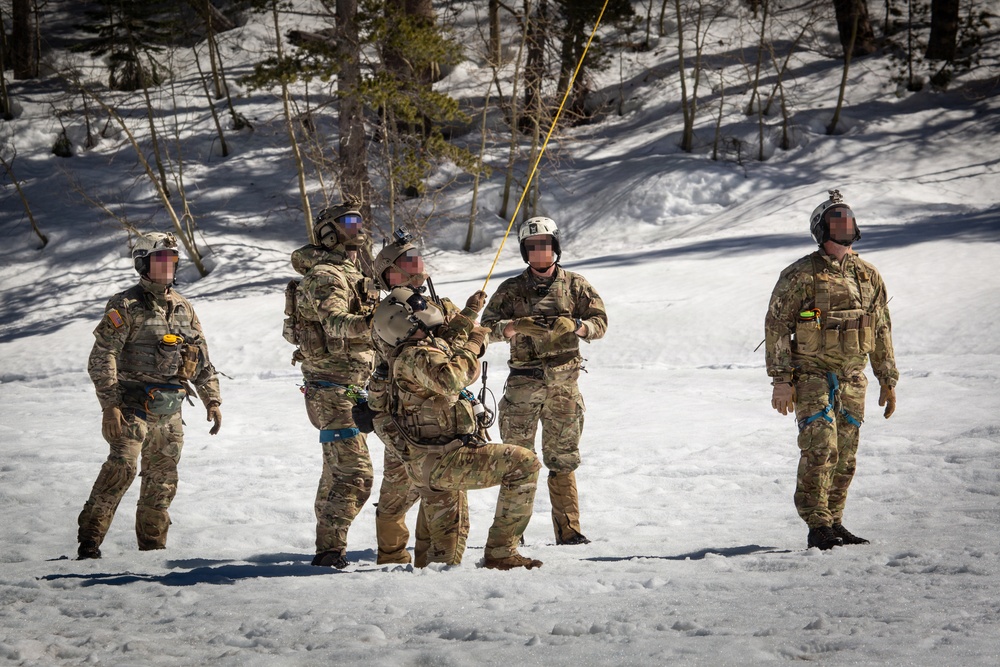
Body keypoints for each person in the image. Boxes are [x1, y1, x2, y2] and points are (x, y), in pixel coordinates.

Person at [372, 286, 543, 570]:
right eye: (419, 305)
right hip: (443, 461)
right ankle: (501, 553)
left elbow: (448, 342)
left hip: (429, 463)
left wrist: (470, 313)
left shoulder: (413, 352)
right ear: (407, 320)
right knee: (524, 464)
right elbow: (452, 378)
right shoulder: (416, 356)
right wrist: (475, 343)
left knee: (444, 562)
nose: (427, 306)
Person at [765, 189, 898, 550]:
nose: (845, 226)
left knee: (846, 455)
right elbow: (776, 325)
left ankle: (835, 521)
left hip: (854, 377)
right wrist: (781, 381)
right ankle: (817, 524)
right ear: (822, 230)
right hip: (811, 375)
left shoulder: (869, 276)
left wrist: (888, 379)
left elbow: (881, 327)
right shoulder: (800, 274)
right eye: (837, 221)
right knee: (820, 447)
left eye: (849, 220)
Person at [78, 232, 222, 559]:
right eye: (160, 260)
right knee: (121, 470)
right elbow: (102, 356)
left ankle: (152, 552)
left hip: (170, 412)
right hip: (131, 407)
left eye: (172, 259)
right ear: (143, 263)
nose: (168, 266)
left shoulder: (183, 307)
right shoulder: (125, 305)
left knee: (162, 482)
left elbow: (200, 358)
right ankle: (89, 540)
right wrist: (110, 406)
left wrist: (212, 399)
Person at [481, 217, 607, 545]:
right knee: (517, 460)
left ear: (556, 247)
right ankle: (510, 533)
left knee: (562, 459)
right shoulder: (510, 289)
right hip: (523, 387)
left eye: (546, 245)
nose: (541, 252)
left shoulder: (576, 285)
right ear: (525, 251)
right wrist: (512, 328)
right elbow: (483, 329)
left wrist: (577, 327)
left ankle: (570, 531)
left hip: (564, 389)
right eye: (534, 247)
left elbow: (600, 322)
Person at [367, 230, 482, 566]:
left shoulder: (439, 305)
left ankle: (427, 560)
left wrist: (470, 327)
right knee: (397, 493)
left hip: (444, 413)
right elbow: (440, 350)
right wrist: (467, 334)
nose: (418, 262)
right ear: (391, 273)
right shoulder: (388, 315)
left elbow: (457, 347)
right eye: (407, 260)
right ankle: (391, 557)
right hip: (405, 419)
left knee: (441, 490)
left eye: (417, 255)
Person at [285, 198, 379, 568]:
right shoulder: (325, 276)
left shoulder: (353, 273)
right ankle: (329, 552)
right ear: (329, 232)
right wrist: (379, 322)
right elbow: (336, 323)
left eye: (360, 218)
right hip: (331, 389)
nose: (358, 225)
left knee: (336, 471)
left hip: (356, 387)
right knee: (356, 474)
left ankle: (328, 547)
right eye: (349, 220)